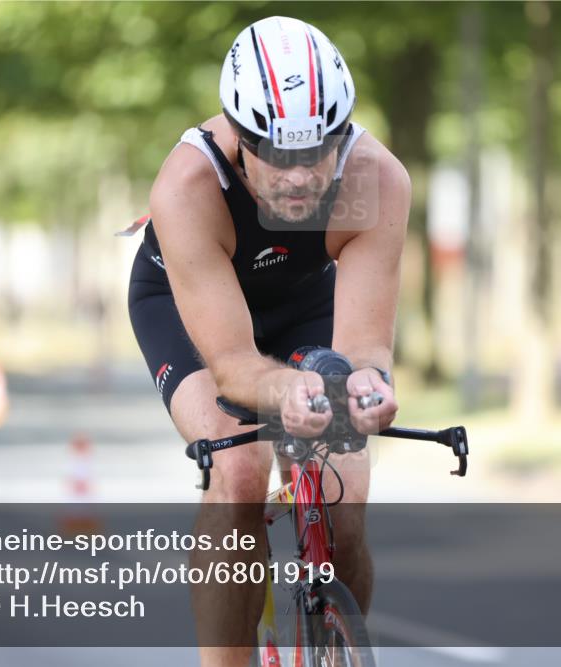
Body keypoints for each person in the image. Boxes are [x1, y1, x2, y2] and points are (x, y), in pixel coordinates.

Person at [127, 16, 410, 666]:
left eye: (319, 151)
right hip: (194, 312)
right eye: (279, 155)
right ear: (238, 136)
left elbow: (365, 347)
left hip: (302, 304)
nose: (301, 176)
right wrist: (289, 389)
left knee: (344, 494)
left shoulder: (377, 179)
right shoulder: (188, 187)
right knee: (242, 473)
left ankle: (336, 643)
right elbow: (230, 365)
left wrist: (367, 388)